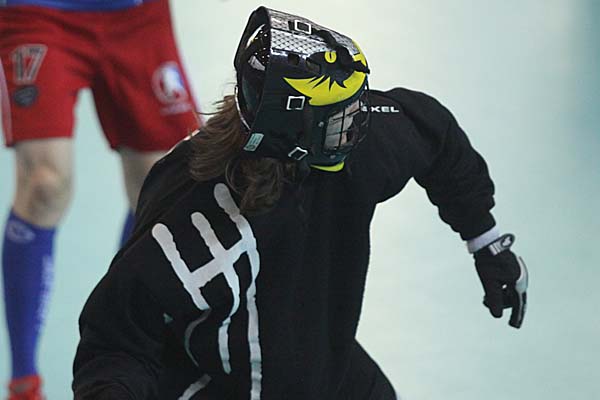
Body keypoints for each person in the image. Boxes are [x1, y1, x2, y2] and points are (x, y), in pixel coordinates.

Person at [71, 7, 529, 400]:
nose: (360, 122)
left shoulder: (358, 146)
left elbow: (434, 132)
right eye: (341, 117)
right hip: (224, 383)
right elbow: (117, 339)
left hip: (319, 361)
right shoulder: (198, 226)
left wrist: (485, 239)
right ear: (288, 133)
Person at [0, 0, 200, 398]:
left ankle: (121, 342)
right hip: (37, 11)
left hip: (136, 16)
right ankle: (24, 381)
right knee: (44, 185)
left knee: (161, 185)